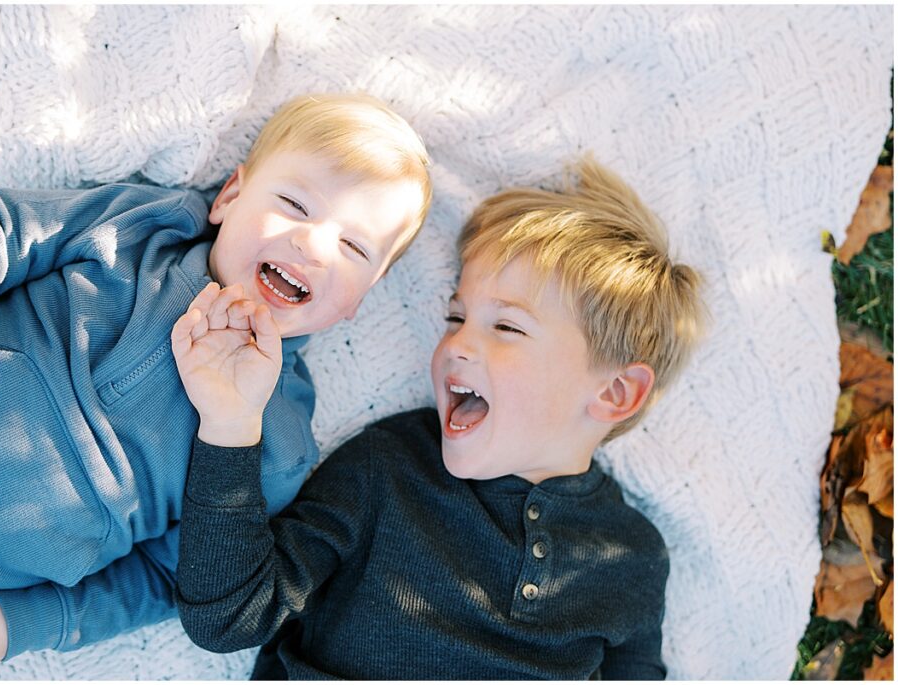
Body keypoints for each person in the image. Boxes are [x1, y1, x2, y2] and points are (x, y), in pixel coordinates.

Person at [0, 92, 432, 679]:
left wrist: (34, 622)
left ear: (360, 300)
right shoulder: (144, 230)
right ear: (230, 197)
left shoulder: (279, 441)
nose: (313, 245)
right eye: (295, 204)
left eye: (353, 247)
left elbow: (168, 574)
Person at [173, 156, 707, 679]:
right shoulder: (391, 468)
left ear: (615, 392)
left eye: (508, 328)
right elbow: (228, 616)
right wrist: (230, 425)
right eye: (456, 316)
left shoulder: (629, 559)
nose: (457, 343)